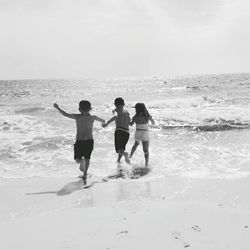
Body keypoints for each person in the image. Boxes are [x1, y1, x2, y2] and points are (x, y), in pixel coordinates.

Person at [53, 100, 105, 181]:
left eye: (86, 109)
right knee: (77, 160)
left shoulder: (92, 117)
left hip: (89, 140)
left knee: (87, 158)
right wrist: (57, 107)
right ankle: (82, 163)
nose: (84, 111)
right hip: (79, 141)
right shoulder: (77, 117)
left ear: (90, 109)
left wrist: (103, 123)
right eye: (83, 109)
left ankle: (85, 174)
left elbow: (103, 120)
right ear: (79, 109)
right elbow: (65, 114)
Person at [102, 97, 131, 164]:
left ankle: (125, 154)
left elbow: (115, 116)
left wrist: (107, 123)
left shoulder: (115, 110)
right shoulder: (127, 112)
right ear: (124, 104)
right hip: (127, 132)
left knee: (118, 150)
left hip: (119, 131)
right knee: (121, 148)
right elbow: (130, 122)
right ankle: (118, 160)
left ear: (115, 104)